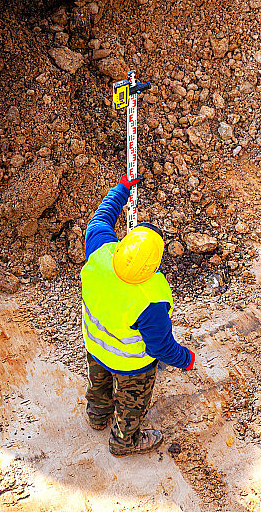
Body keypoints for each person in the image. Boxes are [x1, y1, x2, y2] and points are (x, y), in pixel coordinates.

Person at [80, 175, 195, 456]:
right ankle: (123, 441)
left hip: (96, 346)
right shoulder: (149, 299)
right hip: (132, 366)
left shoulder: (100, 253)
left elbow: (101, 218)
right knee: (132, 403)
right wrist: (185, 359)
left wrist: (121, 190)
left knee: (99, 385)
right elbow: (161, 347)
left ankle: (97, 416)